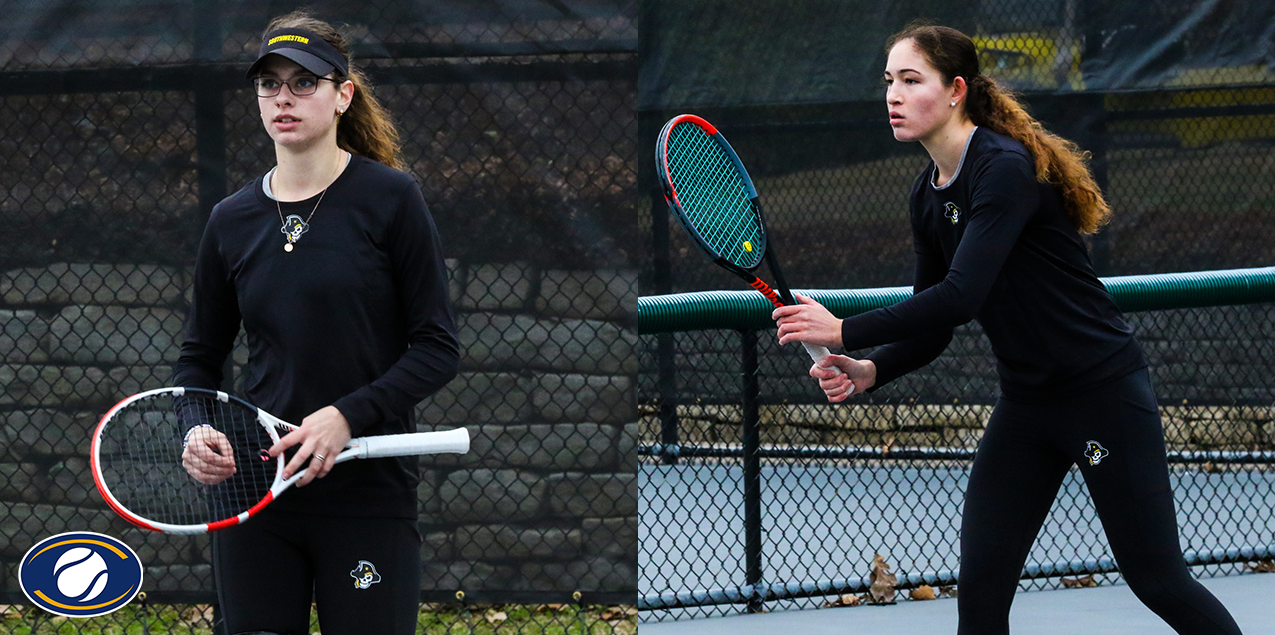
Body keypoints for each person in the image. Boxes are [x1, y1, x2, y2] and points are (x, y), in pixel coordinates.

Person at [772, 23, 1243, 635]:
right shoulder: (925, 196)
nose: (893, 94)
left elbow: (961, 297)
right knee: (983, 591)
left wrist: (842, 333)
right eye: (889, 81)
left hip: (1101, 397)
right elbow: (932, 323)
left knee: (1157, 579)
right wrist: (872, 369)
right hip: (1026, 408)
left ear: (955, 91)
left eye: (911, 81)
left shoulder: (1003, 167)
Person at [172, 10, 459, 635]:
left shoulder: (391, 198)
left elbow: (437, 347)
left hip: (367, 494)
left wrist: (345, 415)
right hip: (256, 492)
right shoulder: (230, 219)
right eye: (269, 84)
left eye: (304, 82)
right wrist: (196, 430)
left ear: (342, 95)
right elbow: (199, 357)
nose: (284, 97)